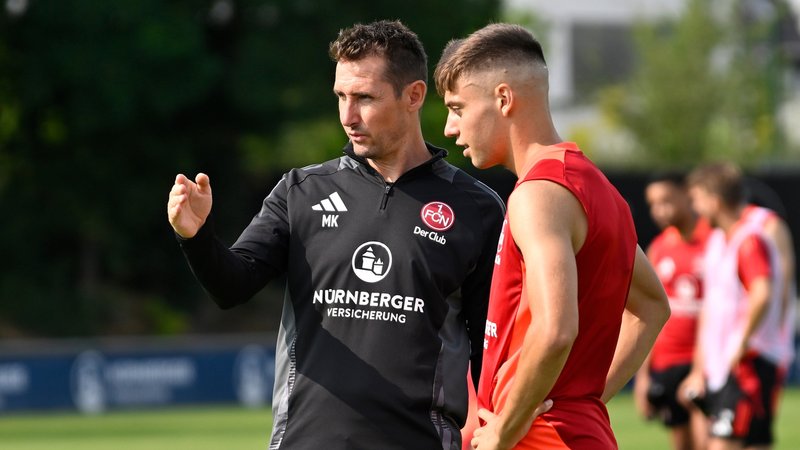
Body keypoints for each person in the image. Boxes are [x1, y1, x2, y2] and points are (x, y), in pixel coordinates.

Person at [167, 20, 505, 450]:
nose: (348, 116)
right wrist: (195, 238)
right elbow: (232, 286)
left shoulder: (476, 208)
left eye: (365, 97)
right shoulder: (301, 191)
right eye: (341, 97)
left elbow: (490, 348)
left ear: (414, 96)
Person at [433, 23, 670, 449]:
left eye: (457, 107)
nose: (451, 127)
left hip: (540, 438)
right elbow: (652, 306)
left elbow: (556, 329)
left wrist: (506, 428)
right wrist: (584, 400)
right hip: (571, 430)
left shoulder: (538, 196)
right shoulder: (597, 189)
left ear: (503, 99)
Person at [681, 162, 791, 450]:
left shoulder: (749, 240)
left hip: (748, 363)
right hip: (729, 364)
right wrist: (700, 366)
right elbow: (714, 306)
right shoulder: (720, 241)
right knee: (754, 442)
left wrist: (741, 343)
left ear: (714, 201)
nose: (695, 208)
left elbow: (762, 293)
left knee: (722, 444)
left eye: (698, 200)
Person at [634, 172, 711, 450]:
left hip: (705, 363)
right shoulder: (658, 249)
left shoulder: (713, 240)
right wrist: (643, 378)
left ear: (686, 195)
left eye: (666, 201)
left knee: (710, 442)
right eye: (653, 204)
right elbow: (646, 313)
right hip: (667, 363)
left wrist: (702, 368)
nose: (659, 211)